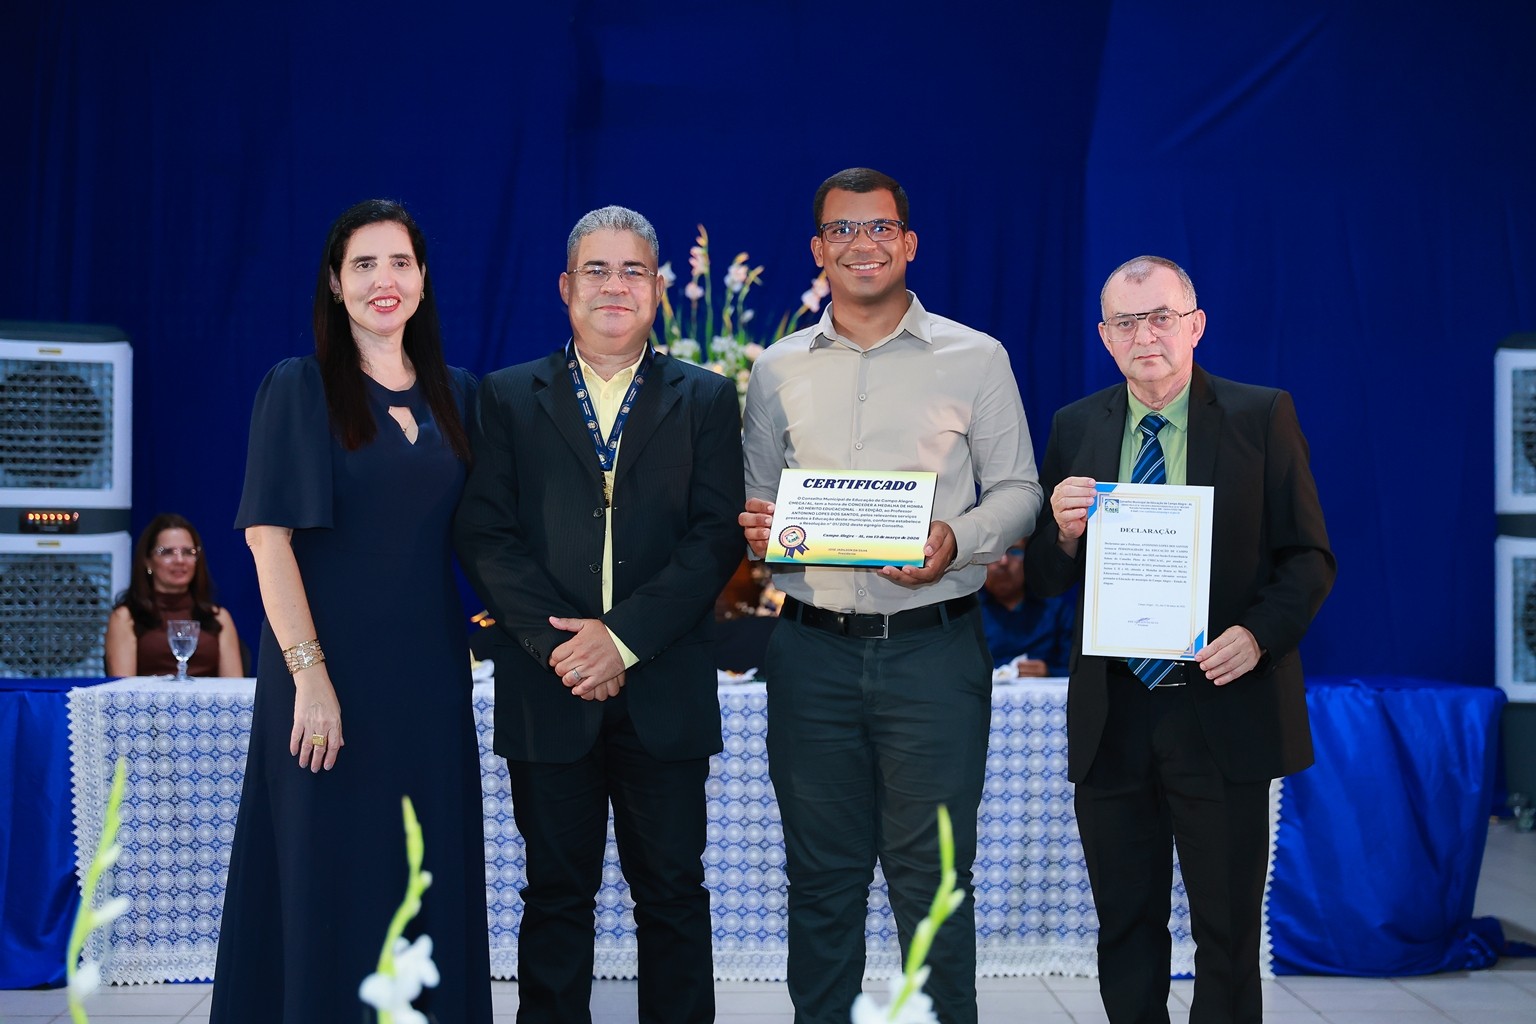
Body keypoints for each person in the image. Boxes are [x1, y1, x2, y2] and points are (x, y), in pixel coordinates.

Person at [739, 168, 1042, 1024]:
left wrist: (957, 540)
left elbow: (1020, 490)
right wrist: (760, 530)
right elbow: (760, 502)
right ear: (817, 250)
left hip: (932, 651)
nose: (861, 244)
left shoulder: (976, 357)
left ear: (908, 242)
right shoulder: (777, 369)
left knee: (933, 876)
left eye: (878, 227)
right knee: (822, 876)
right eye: (842, 229)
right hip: (811, 653)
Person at [454, 205, 744, 1024]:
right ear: (565, 286)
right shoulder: (507, 396)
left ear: (658, 289)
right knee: (554, 894)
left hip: (666, 685)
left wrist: (622, 641)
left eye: (632, 271)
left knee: (674, 893)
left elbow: (715, 538)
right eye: (596, 270)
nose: (615, 286)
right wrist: (569, 650)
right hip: (549, 687)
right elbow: (485, 534)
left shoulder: (706, 397)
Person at [1027, 255, 1334, 1023]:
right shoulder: (1075, 426)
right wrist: (1060, 535)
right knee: (1125, 927)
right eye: (1126, 323)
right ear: (1105, 338)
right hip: (1115, 713)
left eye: (1161, 317)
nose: (1146, 336)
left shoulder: (1261, 416)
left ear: (1195, 325)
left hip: (1223, 706)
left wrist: (1257, 636)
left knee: (1226, 933)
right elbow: (1041, 578)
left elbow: (1309, 558)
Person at [209, 200, 492, 1023]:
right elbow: (268, 540)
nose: (383, 280)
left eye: (399, 262)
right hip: (323, 677)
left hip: (429, 684)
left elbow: (494, 537)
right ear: (335, 284)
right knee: (328, 876)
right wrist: (310, 676)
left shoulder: (458, 396)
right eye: (363, 264)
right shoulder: (299, 388)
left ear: (423, 278)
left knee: (422, 872)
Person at [105, 513, 243, 676]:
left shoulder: (218, 617)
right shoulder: (126, 618)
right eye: (167, 552)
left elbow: (234, 686)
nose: (179, 560)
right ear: (148, 561)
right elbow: (123, 687)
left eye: (188, 552)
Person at [979, 537, 1073, 675]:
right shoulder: (966, 613)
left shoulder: (1057, 610)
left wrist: (1049, 671)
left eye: (1014, 551)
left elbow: (1078, 671)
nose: (1003, 561)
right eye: (993, 553)